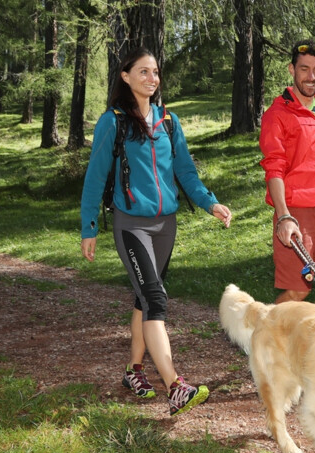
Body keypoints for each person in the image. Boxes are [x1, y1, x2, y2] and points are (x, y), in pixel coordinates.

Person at [79, 47, 232, 416]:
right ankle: (175, 387)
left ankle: (134, 370)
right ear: (126, 76)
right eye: (143, 72)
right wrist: (89, 227)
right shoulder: (113, 122)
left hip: (166, 225)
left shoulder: (169, 122)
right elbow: (95, 177)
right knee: (155, 299)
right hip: (132, 224)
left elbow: (186, 172)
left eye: (155, 72)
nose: (152, 78)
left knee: (144, 298)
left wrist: (209, 202)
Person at [258, 39, 315, 311]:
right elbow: (274, 168)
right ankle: (261, 330)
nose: (311, 77)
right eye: (304, 69)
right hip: (298, 214)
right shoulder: (277, 114)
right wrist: (284, 216)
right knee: (298, 291)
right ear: (292, 70)